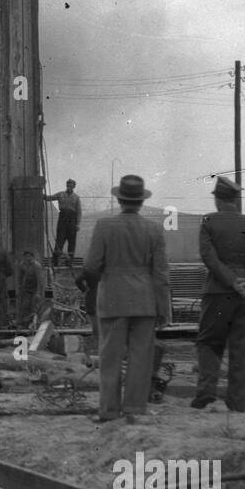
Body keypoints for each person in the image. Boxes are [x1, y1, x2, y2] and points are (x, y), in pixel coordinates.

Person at [81, 174, 170, 423]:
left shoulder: (103, 226)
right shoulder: (153, 229)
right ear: (141, 202)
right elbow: (161, 272)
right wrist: (163, 308)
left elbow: (91, 265)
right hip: (145, 300)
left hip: (112, 299)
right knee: (141, 357)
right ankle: (134, 409)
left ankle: (109, 411)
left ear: (119, 199)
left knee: (110, 356)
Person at [194, 176, 245, 412]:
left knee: (208, 342)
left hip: (218, 292)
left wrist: (231, 280)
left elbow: (210, 258)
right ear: (236, 200)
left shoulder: (208, 222)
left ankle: (206, 392)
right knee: (241, 347)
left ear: (217, 200)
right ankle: (238, 403)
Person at [43, 178, 82, 266]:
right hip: (62, 218)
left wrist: (78, 224)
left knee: (71, 241)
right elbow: (49, 198)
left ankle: (69, 261)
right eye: (68, 185)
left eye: (71, 186)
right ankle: (55, 261)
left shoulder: (76, 198)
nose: (69, 187)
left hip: (72, 219)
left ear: (74, 187)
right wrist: (43, 195)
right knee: (60, 239)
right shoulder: (61, 194)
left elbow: (79, 212)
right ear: (66, 185)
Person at [15, 249, 44, 330]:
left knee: (34, 307)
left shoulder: (36, 266)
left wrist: (38, 292)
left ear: (32, 257)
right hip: (26, 289)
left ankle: (34, 324)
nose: (28, 258)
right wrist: (18, 289)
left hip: (35, 289)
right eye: (26, 256)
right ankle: (24, 324)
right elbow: (19, 278)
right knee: (24, 307)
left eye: (29, 256)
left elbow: (40, 280)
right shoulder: (22, 265)